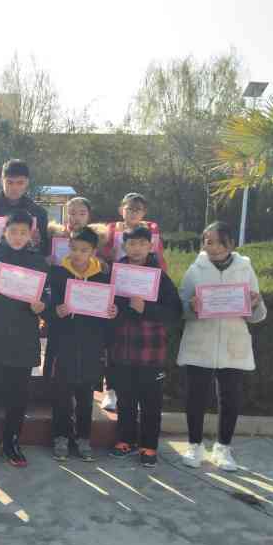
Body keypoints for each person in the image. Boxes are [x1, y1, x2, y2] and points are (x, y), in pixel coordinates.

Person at [177, 221, 266, 472]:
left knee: (230, 398)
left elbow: (257, 314)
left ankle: (223, 447)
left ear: (231, 244)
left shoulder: (245, 268)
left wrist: (255, 304)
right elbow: (181, 308)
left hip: (232, 343)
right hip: (200, 343)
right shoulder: (195, 270)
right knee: (195, 397)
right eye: (208, 242)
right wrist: (191, 307)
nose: (214, 247)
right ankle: (194, 445)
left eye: (219, 242)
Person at [0, 210, 50, 467]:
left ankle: (12, 441)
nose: (17, 237)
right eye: (13, 231)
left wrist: (42, 305)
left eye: (23, 232)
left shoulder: (38, 263)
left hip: (23, 338)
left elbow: (48, 296)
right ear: (4, 232)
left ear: (31, 234)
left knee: (18, 395)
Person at [108, 225, 182, 468]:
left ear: (151, 246)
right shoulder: (116, 274)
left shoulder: (160, 277)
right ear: (124, 246)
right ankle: (125, 440)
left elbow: (174, 312)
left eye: (142, 244)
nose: (137, 249)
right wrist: (113, 312)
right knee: (125, 398)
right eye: (132, 244)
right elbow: (107, 303)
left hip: (151, 349)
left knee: (151, 401)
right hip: (122, 347)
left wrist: (146, 309)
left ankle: (149, 445)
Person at [47, 226, 117, 462]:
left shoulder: (103, 278)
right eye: (74, 249)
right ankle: (60, 437)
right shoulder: (58, 274)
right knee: (62, 394)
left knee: (86, 396)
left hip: (91, 345)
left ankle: (83, 438)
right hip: (63, 343)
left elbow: (109, 313)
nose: (78, 254)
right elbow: (47, 307)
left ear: (94, 252)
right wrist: (55, 311)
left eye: (84, 250)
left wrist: (113, 312)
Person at [98, 192, 168, 412]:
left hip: (144, 301)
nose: (133, 213)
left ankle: (132, 394)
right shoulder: (111, 230)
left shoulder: (152, 231)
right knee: (113, 347)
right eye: (129, 209)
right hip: (118, 291)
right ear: (121, 209)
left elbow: (159, 258)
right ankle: (111, 390)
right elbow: (101, 255)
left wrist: (155, 289)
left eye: (138, 210)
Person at [44, 196, 96, 379]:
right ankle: (51, 382)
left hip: (86, 309)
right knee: (56, 349)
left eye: (82, 213)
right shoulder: (53, 237)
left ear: (89, 216)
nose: (76, 218)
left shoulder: (98, 239)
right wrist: (46, 262)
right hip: (59, 299)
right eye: (72, 213)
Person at [0, 159, 50, 256]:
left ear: (27, 183)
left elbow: (45, 251)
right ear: (1, 181)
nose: (14, 188)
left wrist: (39, 243)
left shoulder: (38, 212)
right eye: (10, 182)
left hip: (27, 264)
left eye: (20, 183)